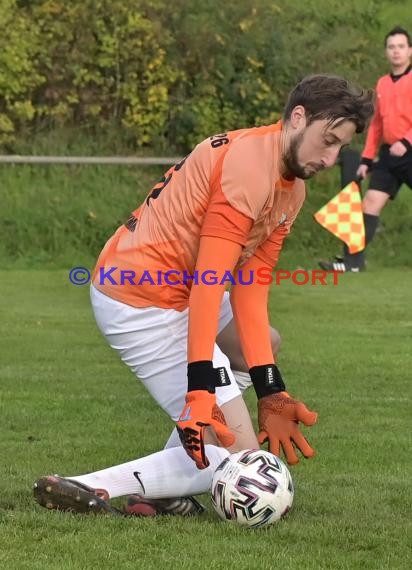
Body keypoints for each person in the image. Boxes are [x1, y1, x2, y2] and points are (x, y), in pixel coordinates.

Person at [33, 74, 374, 517]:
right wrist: (200, 388)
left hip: (175, 291)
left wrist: (273, 392)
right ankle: (90, 486)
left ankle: (166, 485)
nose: (330, 158)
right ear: (297, 117)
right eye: (326, 140)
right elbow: (209, 283)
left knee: (264, 346)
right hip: (142, 300)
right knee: (244, 464)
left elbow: (249, 289)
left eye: (340, 148)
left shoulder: (292, 187)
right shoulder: (251, 167)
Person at [319, 26, 412, 273]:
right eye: (391, 47)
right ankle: (352, 263)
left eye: (401, 46)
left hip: (409, 151)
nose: (396, 51)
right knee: (369, 203)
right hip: (389, 156)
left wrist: (407, 142)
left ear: (410, 50)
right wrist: (367, 159)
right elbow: (377, 125)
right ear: (386, 51)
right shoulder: (382, 83)